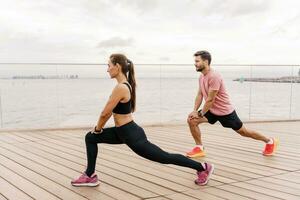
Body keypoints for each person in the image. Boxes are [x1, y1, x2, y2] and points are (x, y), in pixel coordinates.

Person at [71, 53, 214, 187]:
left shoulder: (121, 87)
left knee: (164, 157)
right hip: (123, 131)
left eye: (109, 66)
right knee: (90, 138)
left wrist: (98, 129)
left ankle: (203, 167)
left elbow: (105, 113)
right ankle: (90, 175)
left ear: (117, 66)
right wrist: (96, 132)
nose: (107, 70)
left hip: (131, 134)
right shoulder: (125, 85)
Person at [186, 50, 278, 158]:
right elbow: (200, 94)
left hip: (225, 112)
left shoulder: (214, 76)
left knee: (244, 132)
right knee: (192, 120)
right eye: (195, 61)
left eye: (197, 61)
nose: (195, 63)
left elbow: (210, 99)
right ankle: (199, 148)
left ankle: (269, 141)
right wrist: (194, 110)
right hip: (210, 110)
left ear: (205, 62)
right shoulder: (201, 77)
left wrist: (200, 113)